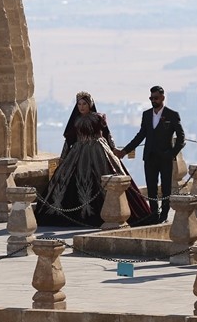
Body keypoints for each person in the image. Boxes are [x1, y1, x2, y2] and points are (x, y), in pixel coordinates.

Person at [38, 92, 154, 227]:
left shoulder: (98, 118)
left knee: (110, 177)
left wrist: (114, 149)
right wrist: (63, 158)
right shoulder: (75, 120)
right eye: (79, 104)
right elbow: (69, 140)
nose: (81, 107)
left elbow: (107, 135)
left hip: (99, 151)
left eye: (84, 104)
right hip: (78, 152)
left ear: (90, 105)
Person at [117, 85, 186, 223]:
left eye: (156, 98)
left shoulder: (172, 114)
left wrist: (172, 153)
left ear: (162, 98)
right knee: (151, 187)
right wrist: (124, 151)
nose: (153, 100)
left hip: (165, 157)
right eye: (151, 98)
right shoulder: (146, 115)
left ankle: (164, 214)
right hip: (150, 157)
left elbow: (181, 136)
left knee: (166, 187)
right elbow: (141, 135)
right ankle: (154, 214)